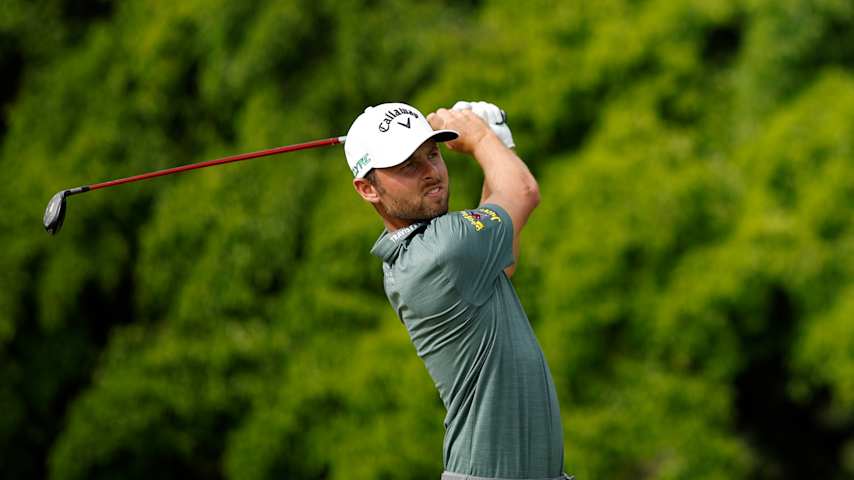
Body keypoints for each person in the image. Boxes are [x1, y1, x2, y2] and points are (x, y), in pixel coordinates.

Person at [346, 101, 571, 480]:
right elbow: (524, 191)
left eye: (432, 154)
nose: (431, 172)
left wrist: (496, 140)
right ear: (368, 188)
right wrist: (482, 135)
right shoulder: (441, 250)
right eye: (407, 165)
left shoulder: (437, 249)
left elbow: (505, 254)